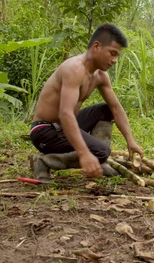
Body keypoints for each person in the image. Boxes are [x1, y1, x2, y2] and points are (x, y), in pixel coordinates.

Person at [28, 23, 143, 182]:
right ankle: (43, 161)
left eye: (117, 56)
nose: (114, 60)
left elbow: (115, 108)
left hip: (65, 126)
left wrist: (130, 140)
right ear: (96, 46)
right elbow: (65, 113)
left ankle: (99, 161)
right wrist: (84, 153)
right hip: (45, 131)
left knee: (106, 109)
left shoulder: (100, 75)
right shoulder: (74, 70)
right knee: (102, 151)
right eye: (112, 53)